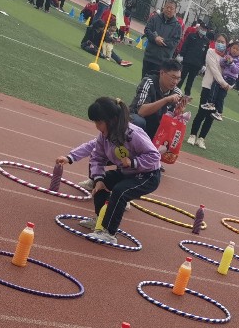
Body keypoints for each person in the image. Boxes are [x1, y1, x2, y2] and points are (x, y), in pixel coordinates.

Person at [56, 96, 162, 244]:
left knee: (120, 191)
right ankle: (100, 220)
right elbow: (96, 157)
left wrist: (133, 162)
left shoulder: (133, 134)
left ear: (112, 120)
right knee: (102, 183)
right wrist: (98, 179)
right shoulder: (104, 136)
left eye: (99, 122)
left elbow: (154, 156)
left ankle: (109, 233)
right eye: (95, 122)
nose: (97, 126)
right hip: (127, 172)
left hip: (147, 176)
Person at [130, 59, 187, 140]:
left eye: (178, 79)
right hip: (138, 120)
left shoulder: (177, 93)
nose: (175, 82)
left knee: (174, 130)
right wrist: (165, 100)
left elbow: (172, 122)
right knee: (138, 121)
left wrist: (179, 112)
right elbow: (141, 112)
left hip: (157, 126)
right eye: (173, 77)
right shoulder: (149, 82)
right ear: (162, 73)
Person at [142, 0, 182, 81]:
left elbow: (175, 42)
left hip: (163, 62)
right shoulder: (155, 18)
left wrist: (163, 41)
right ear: (164, 7)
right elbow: (147, 30)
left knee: (158, 85)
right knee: (144, 82)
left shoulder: (177, 26)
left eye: (171, 8)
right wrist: (155, 38)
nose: (169, 10)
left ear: (175, 10)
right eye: (167, 7)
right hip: (149, 57)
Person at [178, 24, 211, 96]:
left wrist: (204, 64)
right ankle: (176, 91)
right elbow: (185, 45)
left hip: (197, 64)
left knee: (190, 81)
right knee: (181, 77)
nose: (203, 30)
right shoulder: (191, 36)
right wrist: (181, 55)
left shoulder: (206, 41)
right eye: (202, 28)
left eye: (205, 29)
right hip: (187, 61)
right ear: (199, 28)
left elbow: (205, 53)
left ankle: (187, 95)